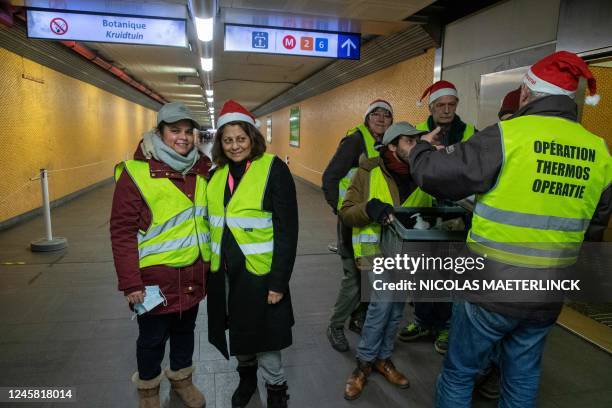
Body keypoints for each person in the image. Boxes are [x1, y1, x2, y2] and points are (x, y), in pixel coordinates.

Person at [406, 51, 612, 407]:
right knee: (523, 376)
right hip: (549, 290)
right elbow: (594, 228)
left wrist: (420, 150)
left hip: (492, 287)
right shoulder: (599, 150)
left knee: (460, 372)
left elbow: (438, 176)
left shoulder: (507, 135)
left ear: (529, 93)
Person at [111, 102, 211, 408]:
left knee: (185, 331)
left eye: (187, 132)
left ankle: (182, 381)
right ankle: (149, 391)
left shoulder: (202, 169)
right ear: (159, 132)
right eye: (174, 131)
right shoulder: (136, 173)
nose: (182, 137)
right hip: (153, 281)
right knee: (152, 339)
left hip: (194, 273)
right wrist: (131, 283)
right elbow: (122, 231)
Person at [206, 100, 298, 408]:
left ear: (252, 138)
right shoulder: (215, 175)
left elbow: (288, 231)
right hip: (226, 273)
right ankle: (246, 378)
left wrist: (278, 282)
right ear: (220, 142)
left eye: (241, 139)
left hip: (260, 273)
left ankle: (276, 388)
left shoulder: (273, 169)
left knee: (266, 335)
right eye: (228, 140)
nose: (234, 146)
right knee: (237, 327)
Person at [340, 122, 434, 400]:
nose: (415, 146)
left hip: (407, 252)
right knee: (383, 300)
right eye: (409, 141)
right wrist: (370, 208)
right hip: (372, 249)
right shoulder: (367, 172)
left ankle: (383, 358)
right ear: (392, 146)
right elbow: (346, 212)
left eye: (417, 141)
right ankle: (363, 364)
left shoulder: (423, 171)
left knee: (396, 309)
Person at [399, 80, 477, 354]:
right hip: (424, 211)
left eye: (451, 105)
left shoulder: (470, 133)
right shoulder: (418, 133)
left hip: (457, 214)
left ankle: (446, 327)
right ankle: (422, 320)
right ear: (431, 107)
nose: (446, 110)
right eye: (441, 105)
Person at [322, 99, 394, 352]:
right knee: (354, 278)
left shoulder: (387, 146)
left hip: (375, 227)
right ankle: (335, 325)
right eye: (376, 114)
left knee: (369, 278)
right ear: (367, 118)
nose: (381, 118)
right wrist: (341, 212)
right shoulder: (354, 142)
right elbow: (329, 178)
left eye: (386, 115)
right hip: (351, 224)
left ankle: (358, 318)